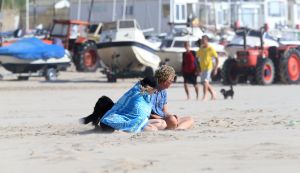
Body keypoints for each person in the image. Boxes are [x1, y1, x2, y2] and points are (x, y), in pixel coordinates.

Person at [100, 76, 166, 133]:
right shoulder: (136, 95)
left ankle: (137, 127)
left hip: (133, 120)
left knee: (163, 123)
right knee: (153, 129)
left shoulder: (145, 94)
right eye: (155, 89)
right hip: (113, 122)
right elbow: (139, 114)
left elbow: (141, 115)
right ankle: (124, 130)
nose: (156, 91)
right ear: (149, 88)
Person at [150, 65, 194, 130]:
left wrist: (171, 115)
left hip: (163, 118)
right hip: (154, 119)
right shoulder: (150, 91)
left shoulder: (163, 92)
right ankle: (174, 126)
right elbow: (147, 114)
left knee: (190, 119)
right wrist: (162, 118)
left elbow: (165, 111)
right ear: (165, 79)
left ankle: (178, 129)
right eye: (170, 81)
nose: (171, 83)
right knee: (171, 120)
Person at [196, 35, 219, 101]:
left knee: (205, 82)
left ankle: (205, 96)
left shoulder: (210, 48)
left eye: (204, 40)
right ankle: (213, 93)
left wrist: (216, 68)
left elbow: (217, 59)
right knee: (204, 83)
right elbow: (197, 58)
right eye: (202, 41)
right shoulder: (201, 48)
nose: (202, 42)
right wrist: (198, 68)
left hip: (209, 67)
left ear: (207, 41)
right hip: (202, 68)